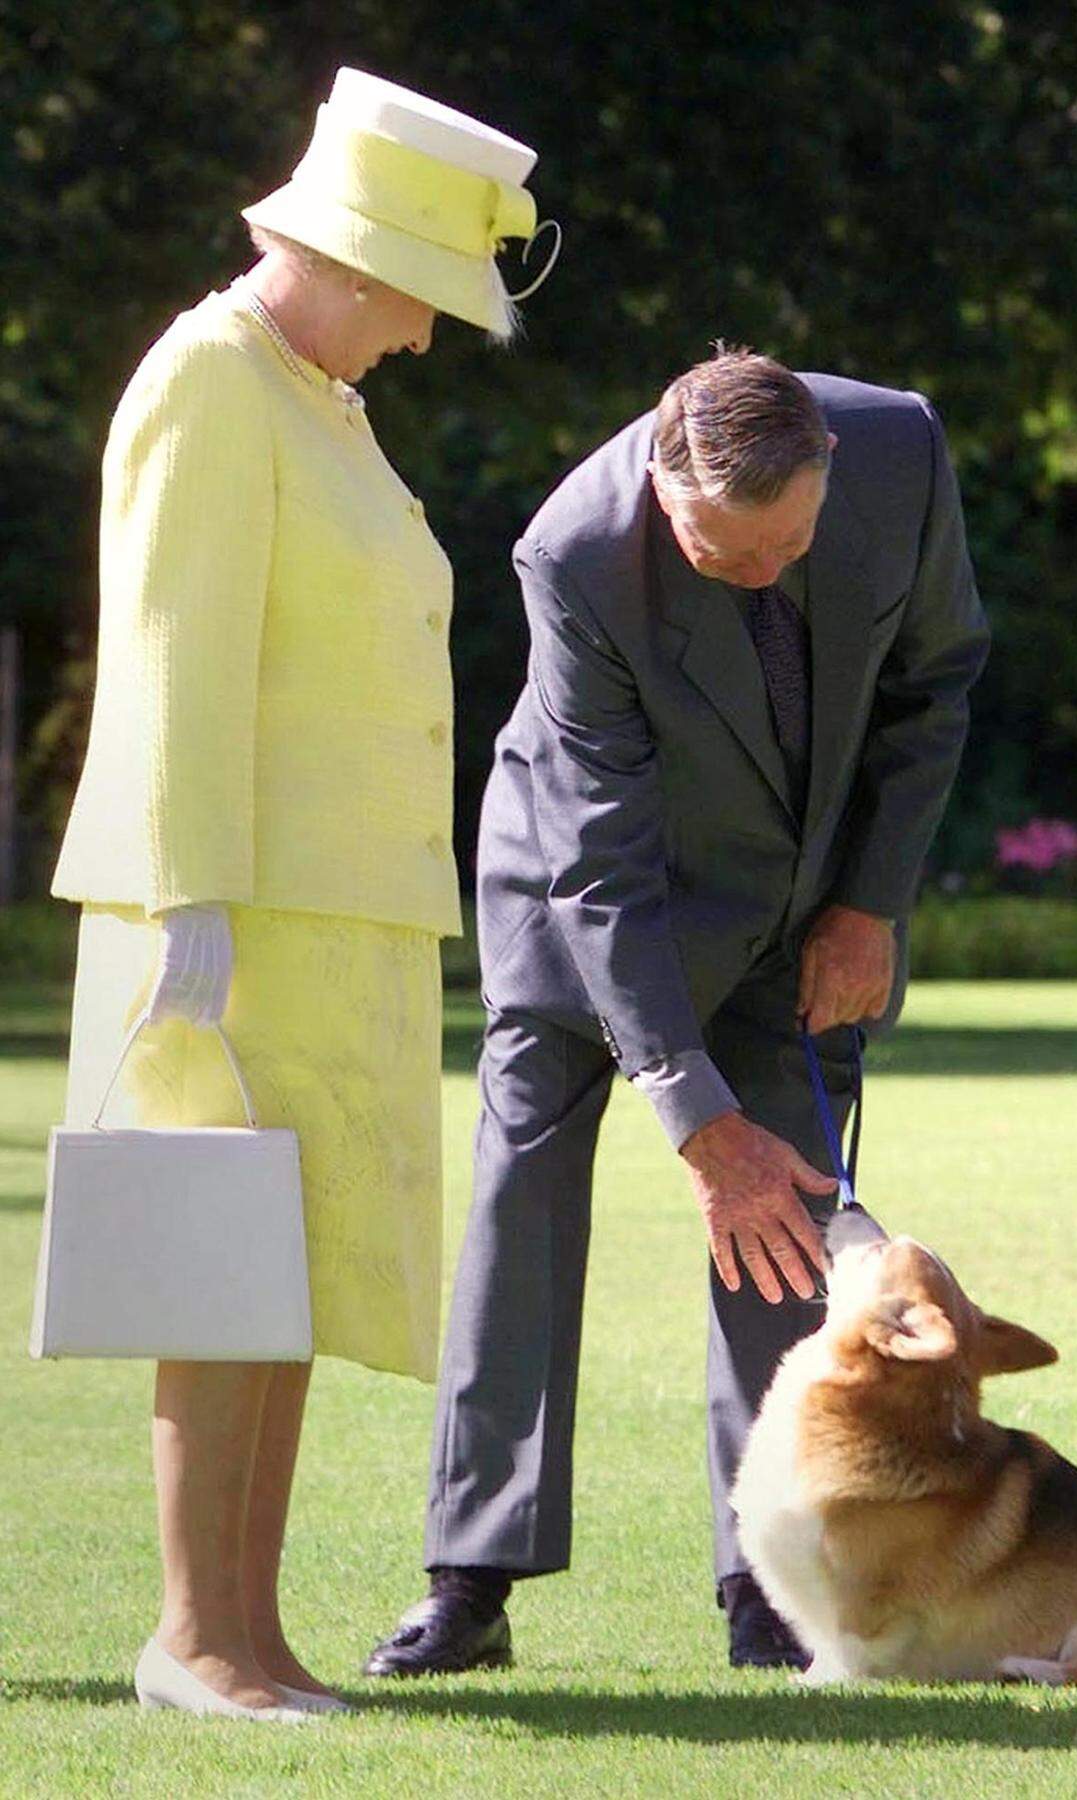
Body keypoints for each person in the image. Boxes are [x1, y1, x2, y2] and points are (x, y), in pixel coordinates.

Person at [49, 66, 556, 1720]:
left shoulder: (318, 399)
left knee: (295, 1274)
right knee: (216, 1263)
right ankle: (192, 1638)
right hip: (236, 912)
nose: (420, 337)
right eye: (418, 302)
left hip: (337, 911)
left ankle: (250, 1641)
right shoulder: (210, 376)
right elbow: (174, 650)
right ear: (347, 261)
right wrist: (182, 886)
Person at [364, 348, 990, 1677]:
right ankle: (471, 1580)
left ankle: (770, 1586)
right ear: (662, 481)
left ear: (828, 474)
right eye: (728, 554)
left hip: (804, 910)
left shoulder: (902, 455)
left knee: (784, 1232)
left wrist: (868, 903)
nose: (764, 573)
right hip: (580, 902)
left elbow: (935, 688)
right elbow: (599, 858)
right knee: (521, 1202)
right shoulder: (576, 556)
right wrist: (695, 1116)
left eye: (791, 546)